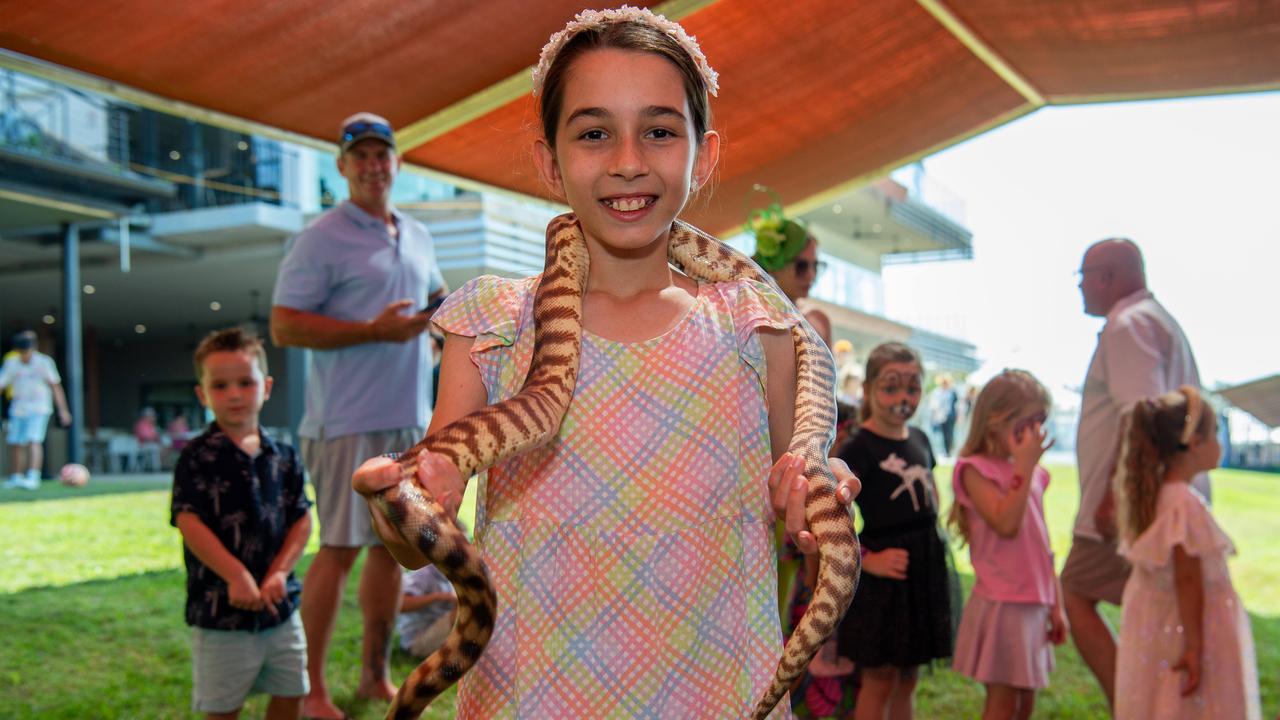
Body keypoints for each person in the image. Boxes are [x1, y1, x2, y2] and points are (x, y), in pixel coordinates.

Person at [351, 7, 858, 717]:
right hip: (535, 690)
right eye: (594, 133)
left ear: (702, 155)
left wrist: (816, 485)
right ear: (549, 162)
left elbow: (795, 483)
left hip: (714, 684)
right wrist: (404, 507)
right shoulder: (492, 326)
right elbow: (418, 540)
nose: (628, 160)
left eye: (658, 130)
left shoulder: (758, 324)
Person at [270, 111, 448, 719]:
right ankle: (311, 691)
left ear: (397, 163)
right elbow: (284, 323)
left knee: (387, 549)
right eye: (361, 156)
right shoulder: (321, 235)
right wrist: (372, 330)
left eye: (383, 155)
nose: (374, 166)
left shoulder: (418, 234)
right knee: (341, 548)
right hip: (346, 422)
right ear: (342, 167)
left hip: (408, 421)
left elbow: (435, 313)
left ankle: (374, 677)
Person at [1064, 237, 1206, 707]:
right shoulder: (1156, 321)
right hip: (1155, 500)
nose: (1080, 287)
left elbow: (1140, 416)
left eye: (1083, 276)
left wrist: (1113, 497)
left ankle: (1133, 704)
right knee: (1160, 605)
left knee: (1077, 591)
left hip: (1134, 504)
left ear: (1107, 277)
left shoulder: (1128, 326)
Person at [170, 328, 312, 719]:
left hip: (279, 606)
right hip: (219, 614)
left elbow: (301, 518)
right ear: (202, 394)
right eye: (220, 385)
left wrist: (280, 572)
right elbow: (188, 520)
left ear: (266, 387)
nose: (234, 394)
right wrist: (235, 575)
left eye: (245, 383)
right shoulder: (196, 457)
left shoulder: (283, 455)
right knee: (222, 706)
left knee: (292, 691)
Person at [1113, 387, 1260, 719]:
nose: (1220, 444)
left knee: (1164, 699)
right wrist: (1194, 647)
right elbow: (1188, 579)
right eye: (1216, 434)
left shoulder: (1155, 496)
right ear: (1195, 443)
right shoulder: (1184, 504)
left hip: (1159, 624)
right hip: (1185, 627)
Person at [835, 342, 958, 720]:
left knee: (909, 678)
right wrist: (867, 561)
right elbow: (836, 519)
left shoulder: (920, 439)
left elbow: (929, 495)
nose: (903, 398)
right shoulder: (858, 447)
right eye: (891, 387)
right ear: (870, 389)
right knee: (880, 680)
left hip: (920, 570)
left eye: (913, 387)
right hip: (884, 577)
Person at [948, 370, 1068, 720]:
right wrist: (1025, 468)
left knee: (1025, 703)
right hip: (1003, 603)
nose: (1035, 434)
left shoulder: (1032, 474)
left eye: (1040, 424)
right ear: (995, 420)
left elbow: (1043, 548)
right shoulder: (974, 469)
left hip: (1033, 602)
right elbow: (1006, 523)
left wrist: (1056, 605)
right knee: (1003, 705)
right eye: (1028, 423)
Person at [751, 200, 833, 347]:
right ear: (774, 268)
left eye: (815, 266)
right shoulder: (755, 318)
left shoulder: (819, 320)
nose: (811, 275)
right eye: (801, 266)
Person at [0, 330, 71, 490]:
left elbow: (55, 387)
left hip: (39, 408)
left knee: (33, 440)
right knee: (15, 442)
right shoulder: (11, 363)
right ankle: (16, 477)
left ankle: (33, 476)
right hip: (18, 408)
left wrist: (63, 411)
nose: (25, 355)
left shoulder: (44, 362)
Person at [396, 564, 456, 658]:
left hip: (432, 630)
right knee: (462, 610)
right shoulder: (424, 574)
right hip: (415, 641)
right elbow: (402, 605)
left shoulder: (449, 576)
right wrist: (438, 596)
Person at [928, 374, 958, 457]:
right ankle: (942, 450)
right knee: (940, 434)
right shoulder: (937, 392)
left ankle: (948, 451)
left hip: (949, 416)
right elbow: (933, 404)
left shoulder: (952, 392)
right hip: (939, 416)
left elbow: (956, 405)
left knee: (949, 434)